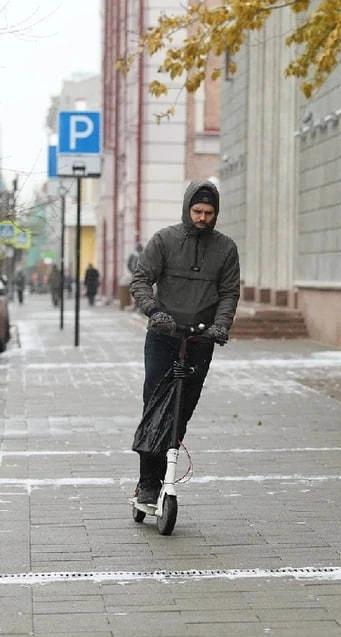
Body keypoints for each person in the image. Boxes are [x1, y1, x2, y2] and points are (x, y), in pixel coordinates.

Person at [129, 179, 240, 505]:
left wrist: (221, 325)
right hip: (164, 337)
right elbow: (141, 280)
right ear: (187, 209)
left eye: (209, 212)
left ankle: (166, 474)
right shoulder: (165, 240)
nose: (203, 217)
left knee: (182, 410)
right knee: (156, 406)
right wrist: (154, 311)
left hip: (200, 339)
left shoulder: (225, 249)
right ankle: (147, 482)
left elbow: (229, 293)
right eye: (197, 211)